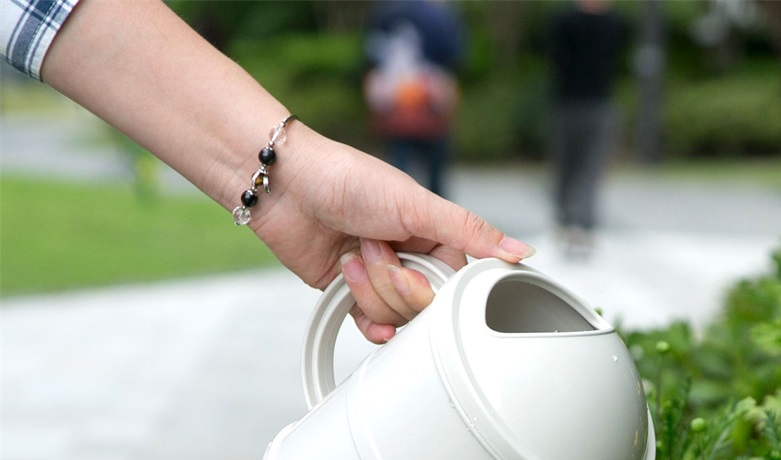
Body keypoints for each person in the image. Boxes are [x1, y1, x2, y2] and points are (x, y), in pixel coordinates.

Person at [1, 0, 533, 345]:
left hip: (419, 119)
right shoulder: (394, 13)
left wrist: (290, 180)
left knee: (425, 190)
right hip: (398, 115)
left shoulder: (433, 16)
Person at [546, 0, 629, 255]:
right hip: (568, 103)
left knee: (591, 167)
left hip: (597, 103)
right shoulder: (565, 21)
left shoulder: (616, 23)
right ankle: (568, 221)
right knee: (568, 166)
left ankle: (581, 223)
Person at [364, 0, 464, 197]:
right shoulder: (441, 13)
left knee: (398, 170)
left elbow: (371, 53)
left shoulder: (385, 10)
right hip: (427, 94)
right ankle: (437, 220)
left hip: (396, 95)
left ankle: (397, 215)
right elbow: (454, 55)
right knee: (434, 173)